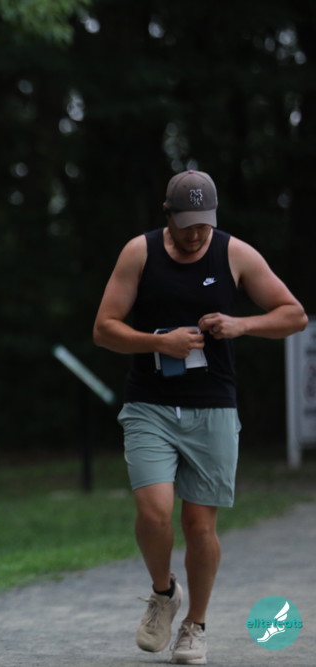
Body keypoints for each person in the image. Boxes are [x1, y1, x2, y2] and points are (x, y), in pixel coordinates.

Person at [92, 169, 307, 664]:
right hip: (150, 404)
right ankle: (163, 593)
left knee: (199, 525)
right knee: (153, 512)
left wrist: (242, 324)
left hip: (213, 405)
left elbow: (293, 314)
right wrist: (158, 343)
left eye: (204, 224)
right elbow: (104, 329)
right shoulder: (139, 252)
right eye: (187, 224)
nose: (195, 235)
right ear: (168, 215)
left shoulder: (235, 254)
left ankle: (196, 626)